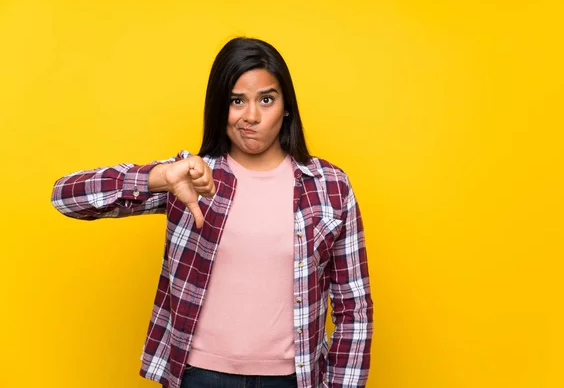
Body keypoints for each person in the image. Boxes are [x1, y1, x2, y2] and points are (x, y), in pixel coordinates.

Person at [51, 37, 373, 388]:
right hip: (200, 377)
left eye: (266, 99)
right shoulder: (191, 177)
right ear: (220, 108)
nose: (251, 116)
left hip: (293, 378)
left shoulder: (329, 185)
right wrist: (158, 177)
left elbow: (354, 307)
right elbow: (66, 197)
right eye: (237, 101)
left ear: (286, 107)